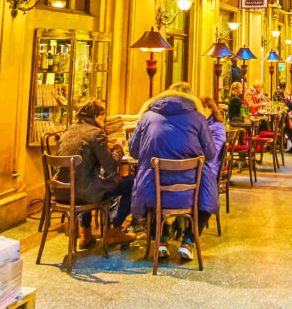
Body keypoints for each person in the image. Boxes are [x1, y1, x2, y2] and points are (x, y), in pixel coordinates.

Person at [129, 82, 217, 262]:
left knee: (146, 190)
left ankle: (160, 240)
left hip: (153, 190)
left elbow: (133, 151)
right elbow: (210, 153)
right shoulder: (198, 118)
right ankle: (188, 241)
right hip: (190, 192)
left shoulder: (147, 116)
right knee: (209, 195)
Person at [56, 98, 136, 247]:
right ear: (96, 116)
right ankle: (114, 230)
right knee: (132, 183)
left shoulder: (67, 132)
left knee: (84, 177)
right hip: (84, 193)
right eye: (102, 117)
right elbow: (111, 166)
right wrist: (118, 147)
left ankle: (85, 233)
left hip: (61, 191)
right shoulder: (95, 133)